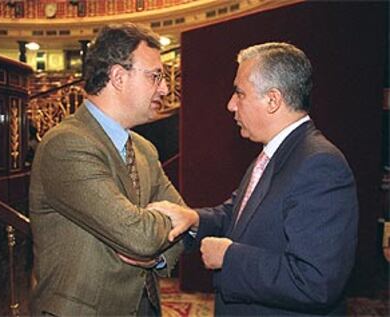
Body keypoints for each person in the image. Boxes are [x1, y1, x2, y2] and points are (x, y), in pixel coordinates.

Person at [150, 42, 359, 316]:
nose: (230, 105)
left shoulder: (320, 165)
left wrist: (229, 257)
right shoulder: (274, 152)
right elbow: (237, 216)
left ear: (273, 100)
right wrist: (194, 219)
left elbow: (316, 281)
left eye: (239, 93)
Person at [29, 23, 190, 316]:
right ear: (118, 77)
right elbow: (140, 236)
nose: (165, 88)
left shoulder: (144, 148)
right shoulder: (66, 144)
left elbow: (181, 221)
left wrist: (156, 257)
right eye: (156, 76)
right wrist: (156, 231)